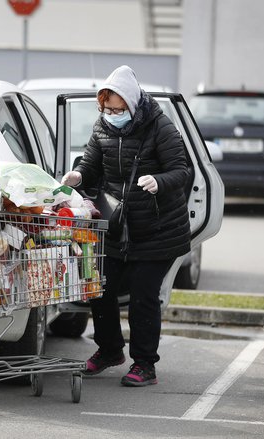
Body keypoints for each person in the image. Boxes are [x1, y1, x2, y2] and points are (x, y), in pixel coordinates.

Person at [61, 65, 191, 387]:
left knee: (143, 296)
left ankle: (145, 364)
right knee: (100, 287)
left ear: (133, 105)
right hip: (119, 225)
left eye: (119, 110)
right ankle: (109, 351)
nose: (112, 114)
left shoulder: (160, 127)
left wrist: (159, 181)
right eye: (107, 109)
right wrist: (78, 175)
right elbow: (91, 164)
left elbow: (182, 170)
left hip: (158, 228)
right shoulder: (102, 126)